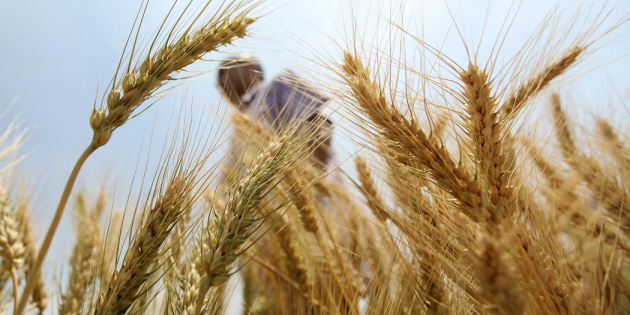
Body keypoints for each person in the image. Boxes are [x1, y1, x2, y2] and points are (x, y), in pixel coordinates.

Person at [217, 54, 334, 171]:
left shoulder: (279, 85)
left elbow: (319, 124)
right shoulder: (238, 125)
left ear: (248, 67)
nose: (219, 82)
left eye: (223, 72)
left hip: (307, 186)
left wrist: (312, 180)